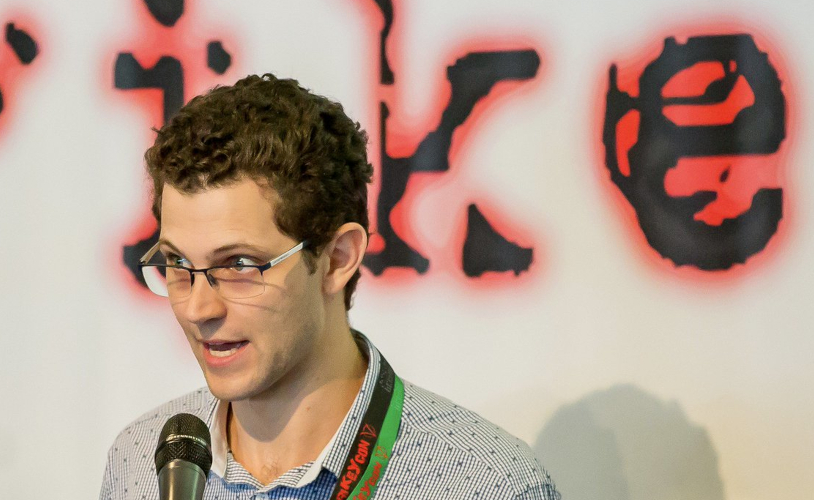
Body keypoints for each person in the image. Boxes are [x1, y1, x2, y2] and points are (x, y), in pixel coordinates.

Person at [100, 74, 559, 499]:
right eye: (178, 263)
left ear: (338, 259)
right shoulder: (140, 461)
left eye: (239, 264)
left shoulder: (486, 485)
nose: (197, 308)